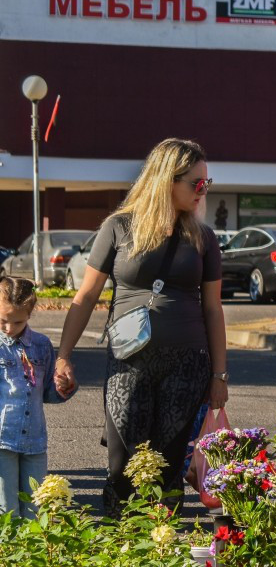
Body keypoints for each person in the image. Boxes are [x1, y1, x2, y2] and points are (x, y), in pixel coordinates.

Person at [56, 138, 227, 517]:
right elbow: (85, 296)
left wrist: (219, 374)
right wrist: (63, 356)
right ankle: (120, 550)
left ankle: (162, 552)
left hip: (188, 362)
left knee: (166, 468)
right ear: (167, 179)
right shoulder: (118, 228)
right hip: (129, 359)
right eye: (196, 183)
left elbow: (213, 309)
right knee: (122, 465)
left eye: (206, 183)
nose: (203, 191)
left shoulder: (203, 238)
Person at [0, 277, 75, 518]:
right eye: (2, 321)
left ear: (30, 313)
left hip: (34, 440)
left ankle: (33, 555)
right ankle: (8, 554)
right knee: (6, 509)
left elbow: (48, 394)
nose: (9, 328)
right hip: (2, 439)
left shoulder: (41, 345)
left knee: (37, 508)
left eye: (17, 321)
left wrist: (64, 386)